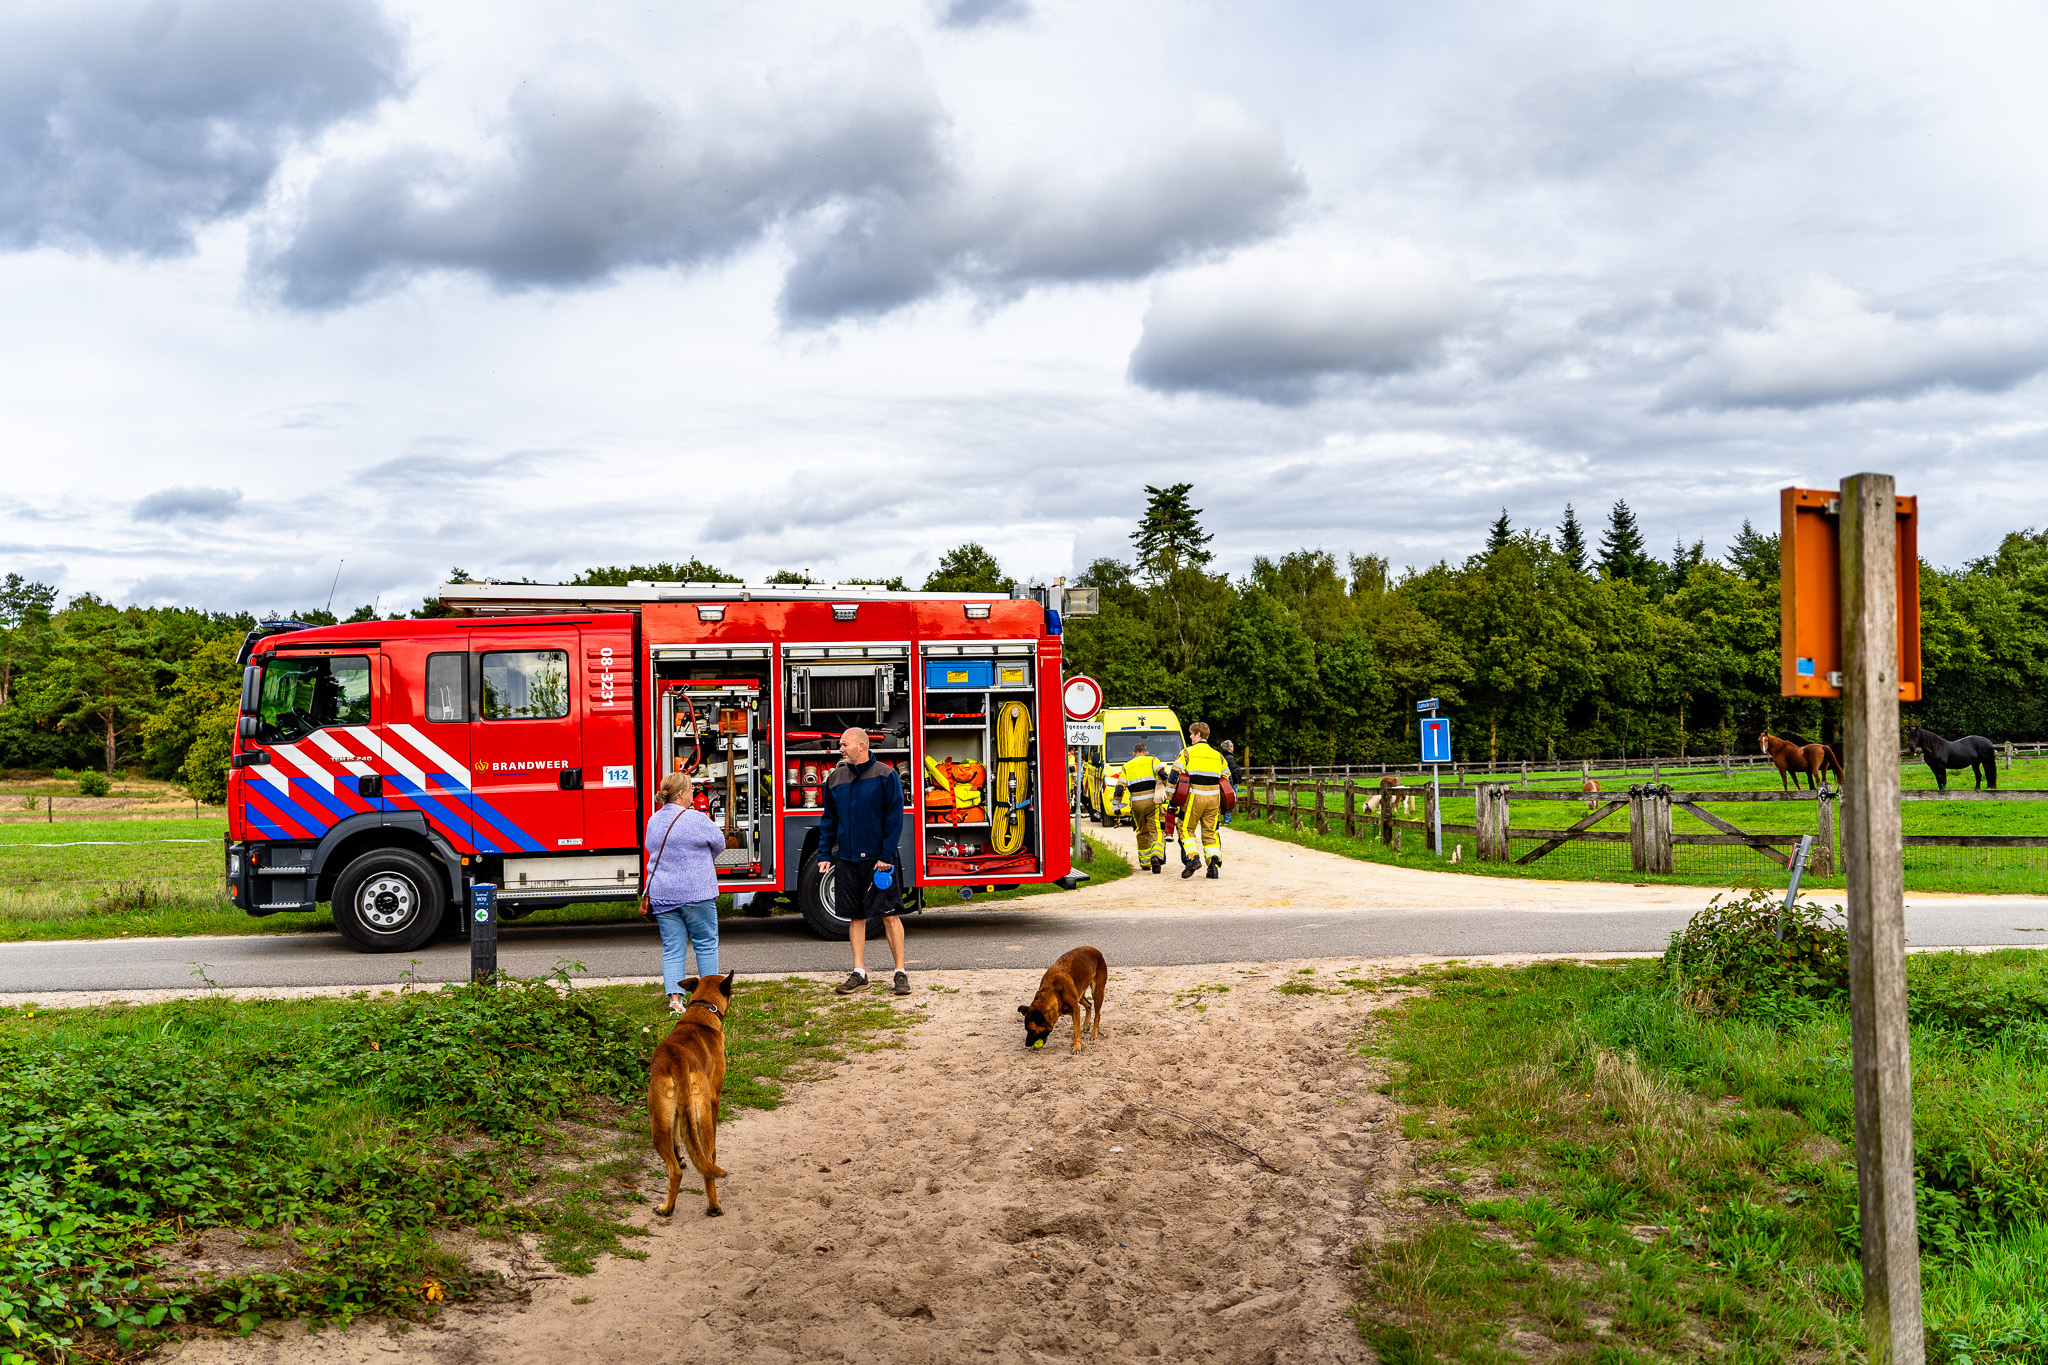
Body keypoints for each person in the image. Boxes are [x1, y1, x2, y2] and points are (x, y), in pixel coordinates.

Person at [819, 726, 911, 995]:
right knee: (855, 917)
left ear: (862, 746)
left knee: (890, 916)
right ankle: (859, 972)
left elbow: (894, 820)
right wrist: (825, 854)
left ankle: (900, 972)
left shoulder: (886, 775)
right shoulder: (836, 778)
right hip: (847, 860)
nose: (840, 749)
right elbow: (829, 821)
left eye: (844, 744)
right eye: (840, 745)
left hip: (877, 862)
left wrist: (885, 856)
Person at [644, 770, 731, 1013]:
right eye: (691, 789)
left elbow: (652, 849)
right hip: (696, 893)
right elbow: (720, 844)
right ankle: (710, 999)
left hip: (663, 893)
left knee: (673, 947)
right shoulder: (696, 818)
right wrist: (700, 860)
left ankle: (675, 1001)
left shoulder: (654, 820)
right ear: (682, 793)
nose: (694, 793)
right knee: (705, 944)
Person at [1174, 720, 1229, 879]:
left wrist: (1172, 798)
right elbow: (1226, 777)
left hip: (1194, 797)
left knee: (1185, 828)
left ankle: (1193, 859)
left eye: (1191, 734)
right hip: (1214, 799)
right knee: (1210, 832)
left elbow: (1174, 775)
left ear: (1198, 735)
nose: (1190, 737)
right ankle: (1213, 867)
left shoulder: (1187, 753)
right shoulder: (1218, 756)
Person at [1122, 741, 1167, 873]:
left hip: (1136, 804)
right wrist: (1168, 786)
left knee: (1142, 831)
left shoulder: (1126, 766)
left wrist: (1117, 804)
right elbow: (1162, 773)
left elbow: (1120, 787)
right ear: (1145, 752)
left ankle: (1145, 862)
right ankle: (1156, 855)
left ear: (1134, 753)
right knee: (1156, 830)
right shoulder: (1153, 760)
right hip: (1152, 801)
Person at [1219, 740, 1243, 825]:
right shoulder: (1230, 757)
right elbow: (1234, 770)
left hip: (1225, 781)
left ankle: (1225, 818)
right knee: (1230, 799)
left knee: (1225, 798)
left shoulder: (1222, 756)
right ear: (1230, 747)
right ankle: (1227, 819)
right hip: (1231, 781)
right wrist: (1237, 781)